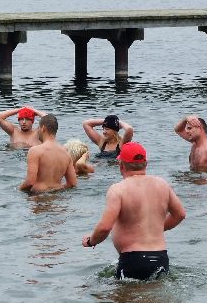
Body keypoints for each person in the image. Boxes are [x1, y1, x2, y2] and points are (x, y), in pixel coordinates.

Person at [82, 142, 186, 280]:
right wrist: (154, 228)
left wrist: (91, 241)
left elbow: (105, 227)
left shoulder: (118, 189)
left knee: (123, 295)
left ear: (121, 165)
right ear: (146, 164)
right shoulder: (162, 184)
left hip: (133, 259)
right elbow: (180, 214)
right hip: (160, 257)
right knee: (156, 294)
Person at [19, 114, 77, 192]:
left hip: (39, 196)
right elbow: (72, 183)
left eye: (39, 128)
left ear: (43, 128)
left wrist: (18, 189)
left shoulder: (35, 151)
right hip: (58, 197)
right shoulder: (66, 153)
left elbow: (30, 182)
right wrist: (56, 189)